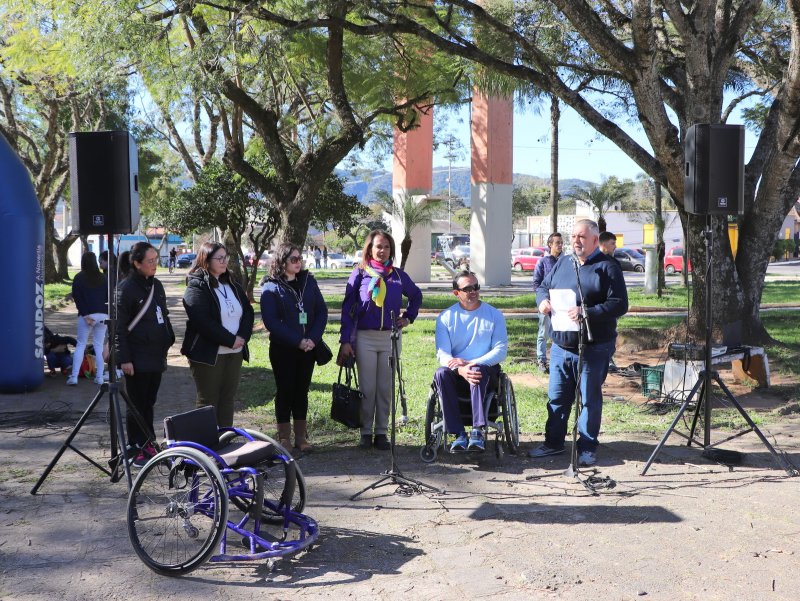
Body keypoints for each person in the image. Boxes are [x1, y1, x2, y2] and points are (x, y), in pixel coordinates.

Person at [528, 219, 628, 467]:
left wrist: (588, 312)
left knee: (589, 399)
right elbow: (543, 286)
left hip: (593, 347)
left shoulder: (608, 267)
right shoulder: (564, 262)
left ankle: (586, 448)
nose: (575, 241)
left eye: (581, 237)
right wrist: (542, 302)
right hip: (562, 346)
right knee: (557, 398)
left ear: (595, 240)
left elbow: (620, 304)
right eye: (573, 236)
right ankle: (553, 443)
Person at [338, 229, 422, 450]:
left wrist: (408, 318)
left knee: (385, 387)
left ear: (390, 250)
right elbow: (347, 309)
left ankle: (382, 432)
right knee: (368, 387)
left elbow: (416, 295)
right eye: (378, 246)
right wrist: (345, 340)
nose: (382, 251)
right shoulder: (360, 273)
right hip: (365, 337)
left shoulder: (397, 275)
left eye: (386, 247)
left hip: (390, 338)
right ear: (370, 249)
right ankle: (366, 432)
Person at [261, 243, 328, 453]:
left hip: (308, 348)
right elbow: (272, 322)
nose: (299, 262)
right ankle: (284, 438)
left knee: (302, 391)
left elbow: (321, 312)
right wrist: (297, 341)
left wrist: (313, 339)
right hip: (284, 349)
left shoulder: (309, 282)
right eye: (294, 259)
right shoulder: (271, 287)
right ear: (282, 262)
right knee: (285, 391)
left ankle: (301, 436)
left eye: (300, 258)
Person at [182, 242, 254, 428]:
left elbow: (248, 312)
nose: (224, 262)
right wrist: (230, 340)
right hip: (209, 354)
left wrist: (242, 337)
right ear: (206, 260)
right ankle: (205, 448)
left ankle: (225, 442)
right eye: (219, 258)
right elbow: (202, 321)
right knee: (208, 402)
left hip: (234, 352)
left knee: (227, 400)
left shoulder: (231, 283)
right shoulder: (196, 285)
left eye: (226, 257)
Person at [116, 242, 175, 467]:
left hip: (155, 355)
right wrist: (125, 358)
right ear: (137, 263)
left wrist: (168, 337)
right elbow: (119, 328)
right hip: (136, 357)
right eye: (150, 261)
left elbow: (163, 313)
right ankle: (135, 446)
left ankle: (148, 442)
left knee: (149, 402)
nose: (154, 265)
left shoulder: (156, 284)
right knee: (136, 404)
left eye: (156, 260)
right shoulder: (126, 288)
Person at [434, 271, 507, 452]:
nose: (473, 291)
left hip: (485, 370)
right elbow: (442, 353)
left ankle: (477, 431)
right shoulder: (445, 317)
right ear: (456, 293)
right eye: (467, 288)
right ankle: (458, 433)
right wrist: (460, 369)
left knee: (476, 369)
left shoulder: (494, 315)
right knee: (440, 373)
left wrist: (471, 364)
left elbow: (500, 350)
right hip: (457, 371)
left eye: (476, 287)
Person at [68, 251, 108, 386]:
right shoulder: (103, 278)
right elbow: (108, 297)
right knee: (99, 346)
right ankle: (100, 377)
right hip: (103, 314)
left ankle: (74, 377)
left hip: (87, 315)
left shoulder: (79, 277)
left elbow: (77, 297)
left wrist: (85, 315)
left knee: (80, 345)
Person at [532, 233, 563, 373]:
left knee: (561, 333)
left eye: (561, 242)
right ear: (550, 244)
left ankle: (558, 361)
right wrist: (543, 299)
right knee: (543, 333)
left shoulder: (566, 261)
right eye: (557, 242)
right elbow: (537, 284)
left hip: (562, 304)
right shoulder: (543, 262)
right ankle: (541, 360)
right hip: (546, 304)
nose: (560, 245)